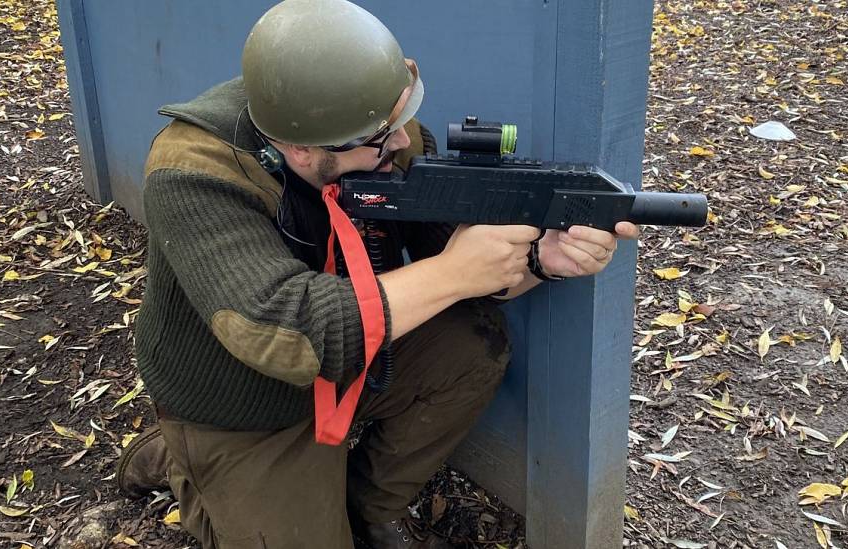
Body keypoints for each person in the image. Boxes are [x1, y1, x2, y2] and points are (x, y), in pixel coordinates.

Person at [114, 0, 639, 547]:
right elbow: (285, 334)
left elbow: (454, 252)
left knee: (471, 345)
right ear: (300, 147)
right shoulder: (195, 169)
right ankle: (190, 462)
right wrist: (454, 272)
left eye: (401, 119)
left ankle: (369, 505)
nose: (404, 142)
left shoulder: (373, 129)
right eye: (380, 138)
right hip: (242, 402)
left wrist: (539, 259)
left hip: (346, 364)